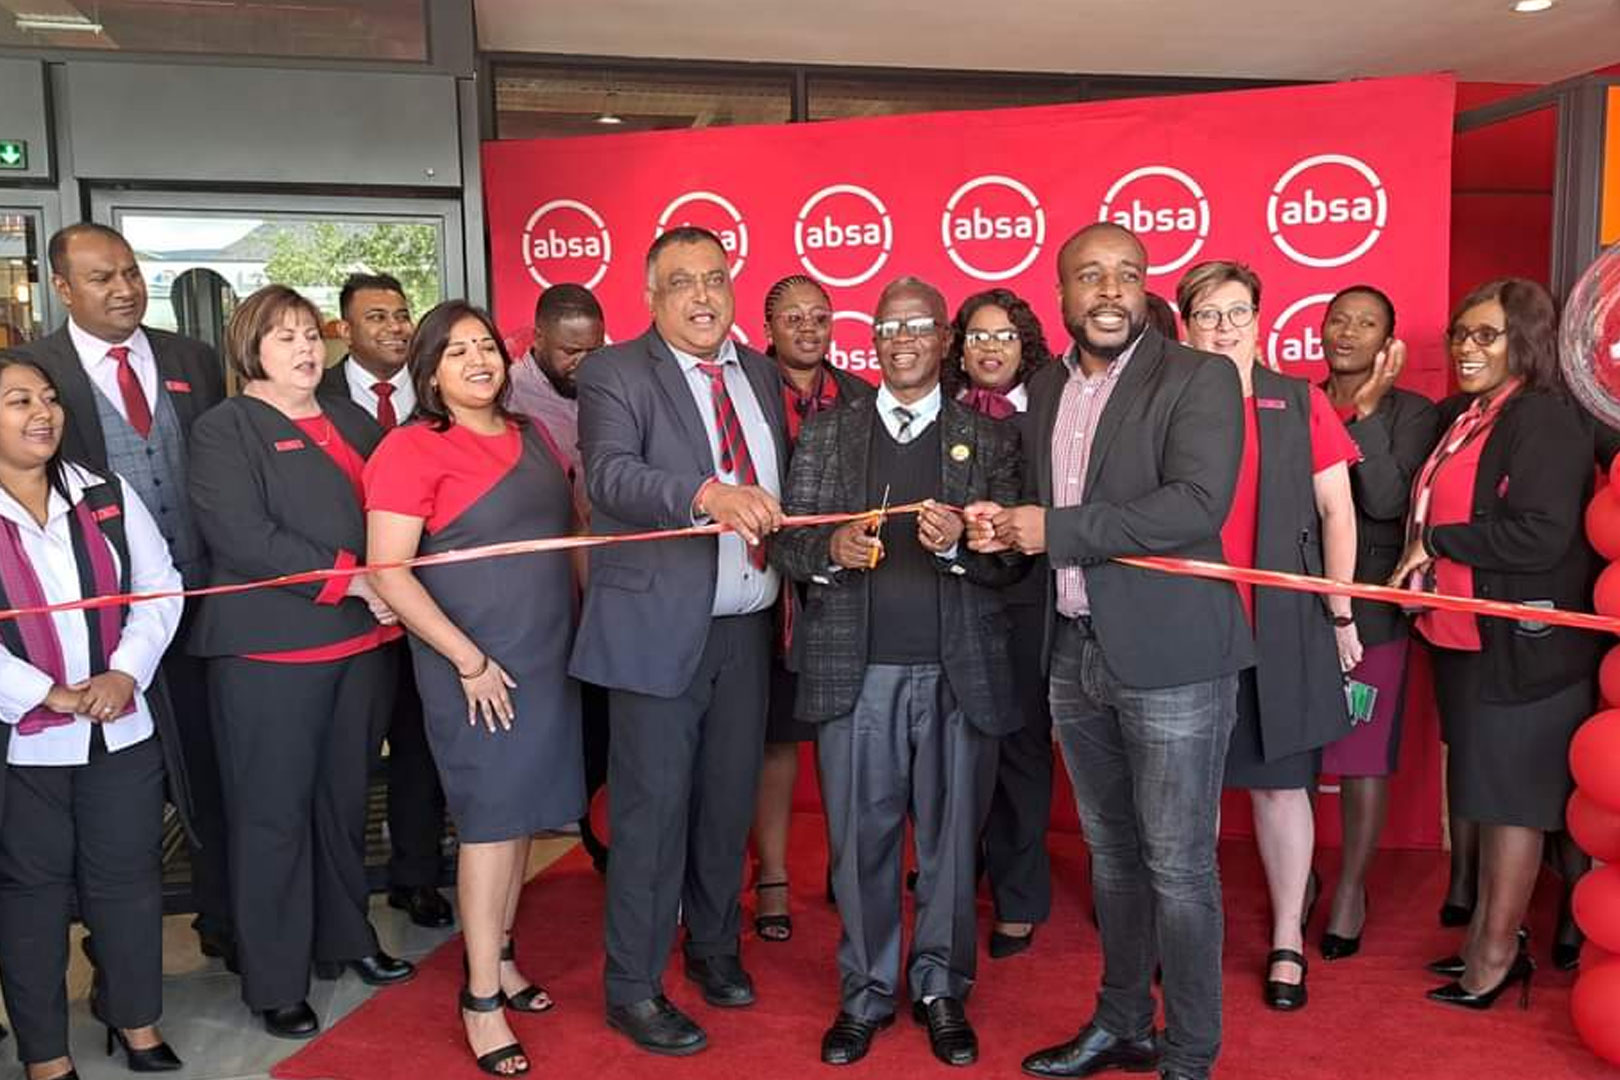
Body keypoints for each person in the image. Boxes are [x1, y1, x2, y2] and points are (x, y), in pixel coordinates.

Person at [966, 222, 1250, 1080]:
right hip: (1075, 653)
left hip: (1175, 660)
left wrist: (1051, 529)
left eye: (1128, 273)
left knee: (1179, 867)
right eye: (1091, 275)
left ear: (1145, 287)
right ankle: (1123, 1022)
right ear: (1061, 294)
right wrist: (999, 530)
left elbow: (1195, 505)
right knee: (1113, 857)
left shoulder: (1199, 375)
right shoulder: (1049, 388)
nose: (1111, 290)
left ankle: (1190, 1053)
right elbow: (1043, 510)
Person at [773, 276, 1024, 1067]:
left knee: (950, 848)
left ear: (945, 340)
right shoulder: (827, 433)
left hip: (958, 675)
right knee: (860, 845)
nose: (902, 339)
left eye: (919, 326)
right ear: (873, 340)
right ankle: (866, 992)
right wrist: (830, 549)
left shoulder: (989, 438)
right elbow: (788, 540)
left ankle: (941, 989)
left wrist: (960, 548)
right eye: (888, 327)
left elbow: (1014, 560)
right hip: (857, 675)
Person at [572, 226, 788, 1057]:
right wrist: (707, 494)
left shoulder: (758, 372)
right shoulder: (615, 371)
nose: (703, 295)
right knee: (652, 814)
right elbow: (610, 474)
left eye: (716, 279)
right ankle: (632, 986)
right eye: (682, 282)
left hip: (747, 627)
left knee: (726, 803)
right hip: (657, 631)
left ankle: (713, 945)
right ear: (651, 297)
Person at [187, 285, 415, 1040]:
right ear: (250, 348)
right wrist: (355, 581)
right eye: (284, 337)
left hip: (363, 646)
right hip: (269, 654)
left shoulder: (351, 418)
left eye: (311, 335)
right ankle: (276, 977)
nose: (305, 349)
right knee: (272, 818)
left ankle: (347, 936)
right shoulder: (224, 429)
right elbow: (242, 535)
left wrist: (391, 584)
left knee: (342, 806)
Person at [367, 300, 584, 1077]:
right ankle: (481, 997)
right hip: (474, 669)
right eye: (456, 351)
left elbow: (570, 534)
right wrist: (467, 660)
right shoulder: (409, 448)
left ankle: (503, 956)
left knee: (521, 818)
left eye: (486, 346)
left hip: (544, 658)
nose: (478, 361)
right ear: (429, 372)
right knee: (491, 823)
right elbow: (387, 571)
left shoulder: (533, 434)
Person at [9, 223, 233, 970]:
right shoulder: (33, 373)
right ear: (63, 288)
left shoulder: (191, 358)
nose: (124, 289)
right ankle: (110, 954)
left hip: (193, 607)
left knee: (210, 772)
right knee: (96, 805)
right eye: (101, 277)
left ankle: (221, 919)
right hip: (88, 637)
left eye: (132, 272)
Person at [1389, 278, 1602, 1010]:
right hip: (1463, 639)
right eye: (1459, 334)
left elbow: (1543, 535)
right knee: (1485, 796)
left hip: (1525, 650)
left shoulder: (1543, 417)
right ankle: (1486, 935)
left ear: (1527, 341)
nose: (1465, 347)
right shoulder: (1470, 415)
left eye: (1486, 334)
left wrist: (1437, 542)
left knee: (1513, 803)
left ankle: (1496, 954)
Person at [1175, 260, 1361, 1012]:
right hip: (1189, 629)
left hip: (1282, 627)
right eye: (1208, 314)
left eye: (1237, 312)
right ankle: (1188, 941)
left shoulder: (1299, 400)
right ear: (1186, 326)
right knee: (1187, 800)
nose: (1224, 327)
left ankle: (1287, 938)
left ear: (1260, 318)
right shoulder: (1165, 403)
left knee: (1283, 789)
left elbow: (1337, 512)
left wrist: (1341, 613)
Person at [0, 353, 187, 1080]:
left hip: (119, 728)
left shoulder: (102, 492)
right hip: (23, 746)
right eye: (19, 401)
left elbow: (160, 586)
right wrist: (43, 693)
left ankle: (134, 1019)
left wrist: (124, 671)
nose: (42, 413)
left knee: (128, 881)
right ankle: (44, 1053)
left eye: (48, 398)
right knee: (31, 899)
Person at [319, 272, 453, 930]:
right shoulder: (312, 397)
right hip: (348, 607)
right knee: (348, 757)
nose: (395, 327)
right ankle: (339, 901)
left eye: (402, 314)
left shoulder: (437, 394)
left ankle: (416, 876)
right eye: (376, 316)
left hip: (430, 603)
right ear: (344, 329)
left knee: (420, 745)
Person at [1317, 286, 1439, 960]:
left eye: (1365, 324)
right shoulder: (1299, 400)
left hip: (1371, 608)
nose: (1347, 332)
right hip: (1299, 604)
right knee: (1293, 749)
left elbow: (1388, 500)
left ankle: (1350, 890)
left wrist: (1364, 412)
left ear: (1388, 342)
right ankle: (1299, 871)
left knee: (1362, 753)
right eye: (1339, 320)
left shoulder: (1409, 413)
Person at [752, 273, 872, 943]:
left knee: (842, 738)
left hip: (839, 587)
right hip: (765, 587)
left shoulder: (860, 396)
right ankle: (771, 877)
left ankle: (845, 867)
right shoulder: (747, 389)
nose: (807, 328)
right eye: (792, 317)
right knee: (775, 740)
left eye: (819, 317)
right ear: (768, 329)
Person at [945, 286, 1056, 957]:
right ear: (959, 348)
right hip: (948, 600)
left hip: (1023, 602)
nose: (991, 348)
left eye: (1005, 336)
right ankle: (953, 874)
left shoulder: (1050, 412)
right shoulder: (935, 411)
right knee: (947, 750)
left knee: (1019, 750)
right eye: (978, 336)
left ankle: (1018, 896)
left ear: (1026, 347)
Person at [506, 282, 611, 874]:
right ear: (539, 338)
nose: (584, 363)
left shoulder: (614, 381)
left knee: (601, 719)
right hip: (536, 589)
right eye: (571, 351)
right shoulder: (506, 396)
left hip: (605, 583)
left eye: (594, 348)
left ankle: (600, 840)